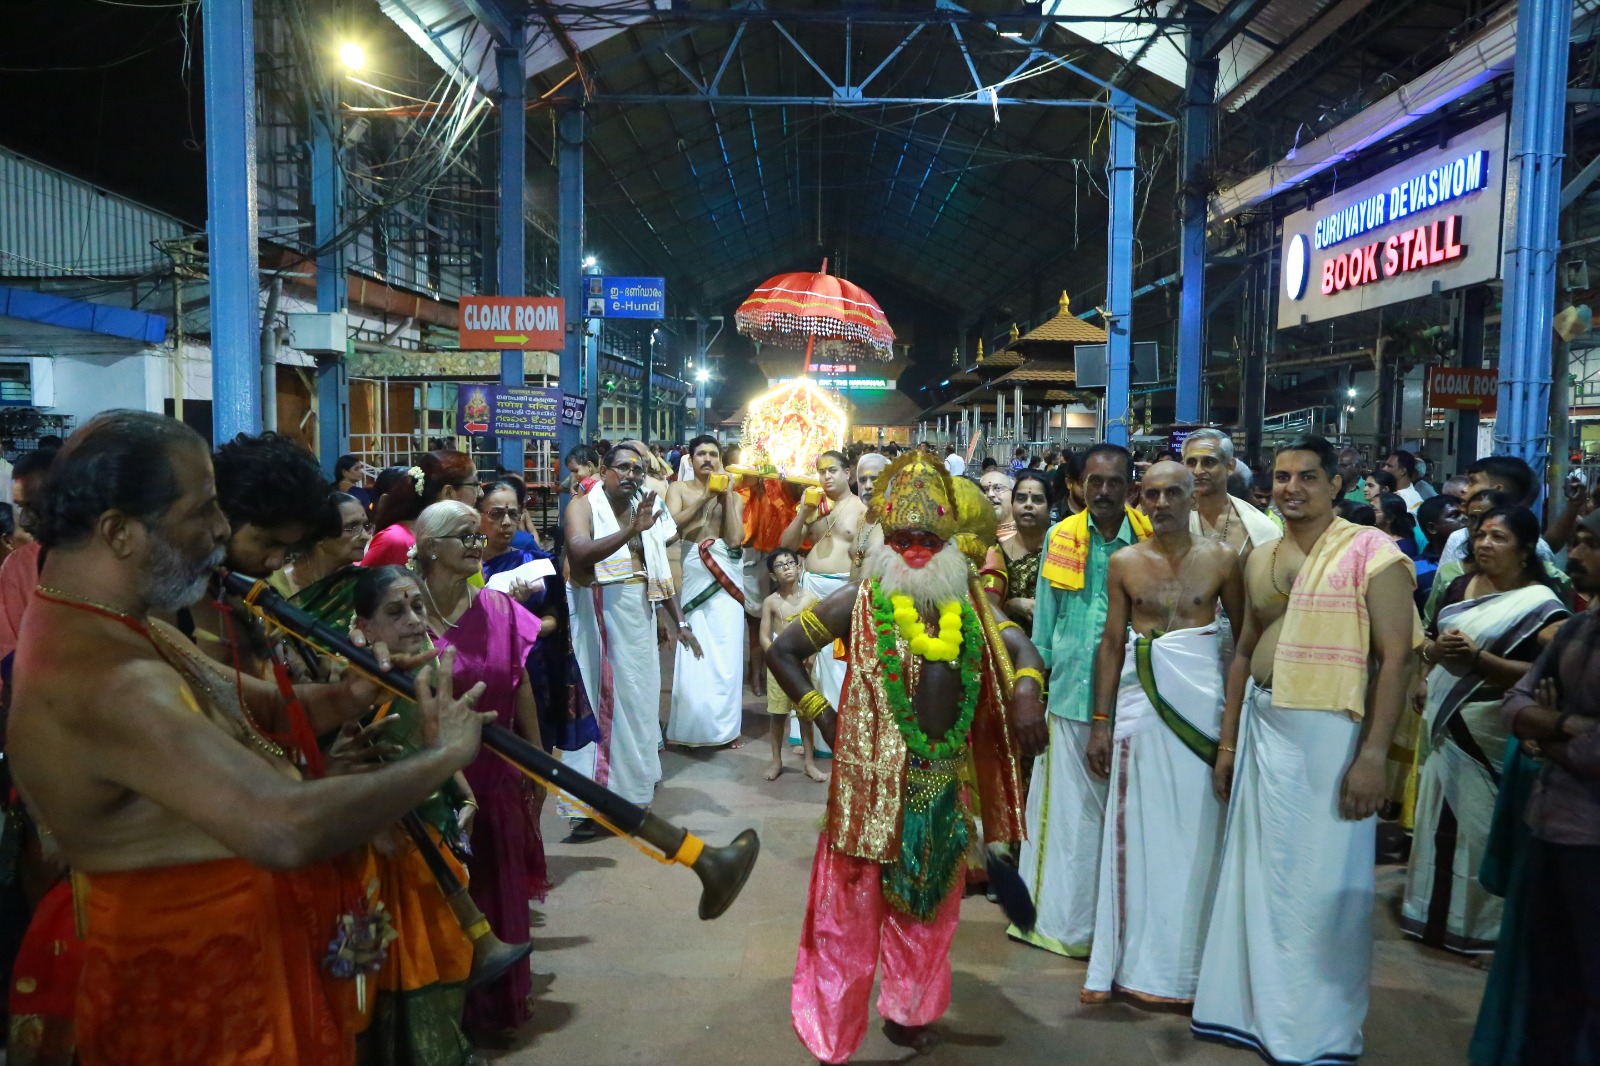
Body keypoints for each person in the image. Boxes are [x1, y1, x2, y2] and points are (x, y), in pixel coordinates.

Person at [7, 411, 492, 1066]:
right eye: (203, 509)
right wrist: (440, 759)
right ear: (120, 532)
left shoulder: (113, 622)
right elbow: (281, 828)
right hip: (192, 994)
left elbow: (245, 704)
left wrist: (349, 694)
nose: (218, 530)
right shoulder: (109, 677)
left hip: (229, 961)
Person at [766, 449, 1045, 1064]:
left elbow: (1022, 648)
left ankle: (910, 1010)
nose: (916, 548)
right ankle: (832, 1027)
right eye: (903, 537)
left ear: (947, 541)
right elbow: (782, 652)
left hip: (938, 784)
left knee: (930, 910)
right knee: (848, 915)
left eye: (928, 537)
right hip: (866, 786)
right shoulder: (858, 601)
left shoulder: (969, 602)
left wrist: (1027, 688)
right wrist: (825, 718)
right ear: (885, 541)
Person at [1191, 433, 1418, 1065]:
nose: (1292, 488)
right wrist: (1229, 741)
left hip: (1330, 731)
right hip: (1265, 727)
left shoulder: (1372, 552)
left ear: (1335, 483)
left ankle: (1316, 1030)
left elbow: (1396, 658)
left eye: (1307, 477)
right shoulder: (1260, 556)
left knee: (1321, 882)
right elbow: (1242, 650)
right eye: (1283, 477)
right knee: (1257, 875)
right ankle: (1245, 1011)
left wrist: (1371, 755)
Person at [1082, 461, 1243, 1006]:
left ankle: (1193, 973)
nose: (1163, 503)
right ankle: (1128, 967)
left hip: (1201, 706)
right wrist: (1099, 723)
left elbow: (1242, 647)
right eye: (1152, 494)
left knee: (1198, 835)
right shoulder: (1124, 562)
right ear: (1140, 499)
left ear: (1192, 494)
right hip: (1139, 707)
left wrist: (1231, 734)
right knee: (1134, 833)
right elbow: (1110, 642)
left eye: (1174, 492)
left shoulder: (1223, 560)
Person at [1403, 506, 1567, 955]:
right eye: (1480, 535)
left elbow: (1546, 676)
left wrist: (1479, 661)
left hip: (1490, 724)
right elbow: (1431, 645)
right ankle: (1428, 918)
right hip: (1443, 719)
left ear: (1526, 549)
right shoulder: (1460, 586)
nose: (1485, 544)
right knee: (1436, 821)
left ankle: (1480, 931)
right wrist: (1434, 659)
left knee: (1480, 831)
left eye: (1498, 538)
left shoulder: (1542, 606)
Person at [409, 502, 545, 1041]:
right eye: (463, 536)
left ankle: (494, 1009)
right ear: (429, 547)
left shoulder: (498, 608)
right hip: (428, 769)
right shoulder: (404, 609)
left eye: (476, 535)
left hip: (495, 764)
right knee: (440, 886)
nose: (476, 543)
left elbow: (522, 683)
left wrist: (538, 757)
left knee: (493, 877)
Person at [1011, 444, 1151, 958]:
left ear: (1130, 486)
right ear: (1079, 486)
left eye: (1115, 482)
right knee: (1067, 821)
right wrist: (1031, 686)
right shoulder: (1060, 537)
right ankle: (1063, 926)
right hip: (1070, 692)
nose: (1105, 492)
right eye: (1095, 482)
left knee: (1126, 820)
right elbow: (1045, 623)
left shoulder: (1150, 538)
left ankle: (1121, 932)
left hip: (1137, 695)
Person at [349, 565, 478, 1066]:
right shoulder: (357, 680)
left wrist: (464, 795)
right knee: (394, 972)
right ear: (364, 625)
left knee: (450, 954)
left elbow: (437, 754)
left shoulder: (427, 670)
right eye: (394, 611)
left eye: (418, 607)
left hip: (435, 837)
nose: (411, 620)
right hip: (383, 854)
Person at [563, 445, 694, 833]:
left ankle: (633, 791)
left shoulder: (646, 505)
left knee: (639, 705)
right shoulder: (583, 506)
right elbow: (580, 552)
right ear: (604, 470)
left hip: (640, 615)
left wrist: (679, 621)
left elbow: (655, 569)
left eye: (637, 470)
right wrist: (631, 530)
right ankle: (600, 803)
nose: (631, 476)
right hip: (604, 616)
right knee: (608, 706)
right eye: (622, 468)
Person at [478, 483, 589, 752]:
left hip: (532, 669)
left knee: (534, 748)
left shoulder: (534, 562)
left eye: (513, 514)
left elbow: (554, 620)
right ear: (477, 515)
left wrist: (522, 621)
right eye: (496, 514)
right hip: (481, 668)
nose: (506, 522)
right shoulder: (467, 566)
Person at [779, 450, 866, 730]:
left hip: (843, 589)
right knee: (806, 661)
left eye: (832, 471)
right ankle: (807, 733)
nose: (826, 477)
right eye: (821, 471)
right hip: (810, 586)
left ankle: (840, 731)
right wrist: (803, 512)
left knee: (837, 661)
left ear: (847, 473)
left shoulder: (861, 509)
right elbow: (787, 546)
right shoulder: (813, 504)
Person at [664, 436, 742, 748]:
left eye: (713, 454)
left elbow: (735, 540)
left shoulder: (732, 494)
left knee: (726, 654)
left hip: (727, 582)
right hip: (695, 575)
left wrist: (728, 498)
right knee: (694, 652)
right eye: (701, 454)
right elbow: (669, 530)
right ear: (691, 460)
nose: (707, 459)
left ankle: (726, 730)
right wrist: (704, 498)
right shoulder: (678, 490)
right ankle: (692, 729)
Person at [758, 549, 824, 782]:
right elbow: (764, 636)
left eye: (790, 563)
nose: (786, 567)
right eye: (779, 565)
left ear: (799, 568)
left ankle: (809, 762)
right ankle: (776, 761)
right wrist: (775, 658)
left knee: (806, 715)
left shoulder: (811, 599)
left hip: (804, 664)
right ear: (773, 575)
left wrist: (812, 656)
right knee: (778, 714)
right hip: (779, 666)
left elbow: (818, 633)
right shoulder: (771, 602)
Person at [366, 451, 482, 568]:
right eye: (475, 484)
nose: (480, 493)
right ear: (447, 493)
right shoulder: (395, 540)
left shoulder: (463, 539)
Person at [1181, 429, 1280, 556]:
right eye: (1191, 462)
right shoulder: (1173, 519)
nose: (1198, 471)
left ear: (1230, 466)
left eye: (1209, 462)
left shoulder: (1260, 528)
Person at [0, 447, 56, 664]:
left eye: (34, 507)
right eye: (21, 508)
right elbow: (6, 651)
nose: (24, 521)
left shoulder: (113, 564)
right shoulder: (17, 565)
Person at [984, 471, 1050, 639]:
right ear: (1012, 504)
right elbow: (982, 606)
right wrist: (1011, 605)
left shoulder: (1060, 550)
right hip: (1002, 646)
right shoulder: (993, 550)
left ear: (1050, 507)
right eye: (1021, 499)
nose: (1028, 505)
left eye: (1037, 499)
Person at [271, 493, 371, 599]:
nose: (366, 536)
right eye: (351, 527)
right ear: (319, 535)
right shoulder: (278, 587)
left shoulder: (358, 581)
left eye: (365, 526)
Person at [1414, 493, 1464, 610]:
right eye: (1454, 515)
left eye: (1465, 513)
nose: (1464, 519)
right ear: (1432, 528)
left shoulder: (1476, 560)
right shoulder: (1414, 568)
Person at [847, 452, 888, 581]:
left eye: (875, 479)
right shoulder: (862, 519)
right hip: (857, 598)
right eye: (862, 480)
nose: (868, 486)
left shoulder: (897, 521)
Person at [1375, 492, 1420, 558]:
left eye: (1374, 509)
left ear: (1390, 517)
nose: (1369, 511)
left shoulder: (1403, 547)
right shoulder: (1372, 535)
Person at [979, 468, 1016, 542]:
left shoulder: (1026, 533)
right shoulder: (974, 534)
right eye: (984, 490)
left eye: (998, 488)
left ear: (1013, 494)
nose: (990, 494)